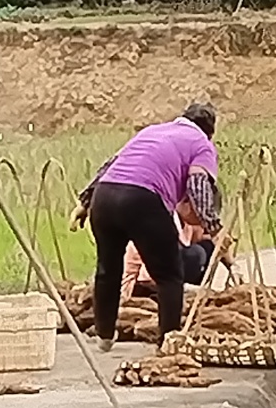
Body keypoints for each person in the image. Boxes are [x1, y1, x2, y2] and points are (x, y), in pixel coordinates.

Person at [71, 103, 224, 350]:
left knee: (108, 268)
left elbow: (111, 164)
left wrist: (84, 203)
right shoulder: (201, 144)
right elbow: (198, 186)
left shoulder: (152, 131)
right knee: (169, 275)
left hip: (105, 196)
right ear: (210, 132)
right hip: (144, 200)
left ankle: (105, 336)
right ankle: (168, 342)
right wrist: (215, 228)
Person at [121, 198, 216, 302]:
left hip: (165, 276)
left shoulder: (188, 224)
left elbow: (208, 239)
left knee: (207, 247)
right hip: (144, 283)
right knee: (196, 254)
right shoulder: (163, 223)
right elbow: (147, 276)